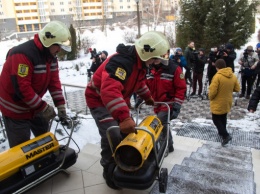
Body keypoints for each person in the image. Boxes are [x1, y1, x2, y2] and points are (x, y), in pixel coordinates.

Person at [85, 31, 170, 190]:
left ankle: (127, 162)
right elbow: (109, 91)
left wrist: (147, 97)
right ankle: (109, 169)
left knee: (129, 132)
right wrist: (123, 118)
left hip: (116, 99)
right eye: (155, 58)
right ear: (147, 53)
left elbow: (138, 83)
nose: (156, 62)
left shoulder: (139, 64)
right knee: (112, 134)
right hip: (99, 100)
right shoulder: (121, 62)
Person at [0, 21, 70, 148]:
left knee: (45, 138)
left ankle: (45, 162)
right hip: (15, 108)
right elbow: (22, 89)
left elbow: (54, 83)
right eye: (58, 45)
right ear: (48, 42)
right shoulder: (22, 55)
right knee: (21, 149)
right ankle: (23, 168)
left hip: (32, 105)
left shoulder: (51, 57)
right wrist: (43, 107)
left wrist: (60, 106)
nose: (59, 49)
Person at [146, 51, 186, 153]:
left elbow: (181, 88)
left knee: (160, 123)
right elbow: (145, 84)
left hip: (168, 103)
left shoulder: (174, 69)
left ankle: (165, 147)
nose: (156, 59)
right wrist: (142, 97)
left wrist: (177, 105)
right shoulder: (149, 69)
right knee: (164, 125)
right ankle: (170, 145)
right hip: (157, 103)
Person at [208, 59, 240, 146]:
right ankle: (221, 132)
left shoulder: (217, 76)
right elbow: (237, 88)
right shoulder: (232, 75)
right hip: (227, 101)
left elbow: (213, 91)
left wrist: (210, 97)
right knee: (223, 117)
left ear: (217, 67)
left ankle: (225, 135)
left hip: (218, 101)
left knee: (215, 119)